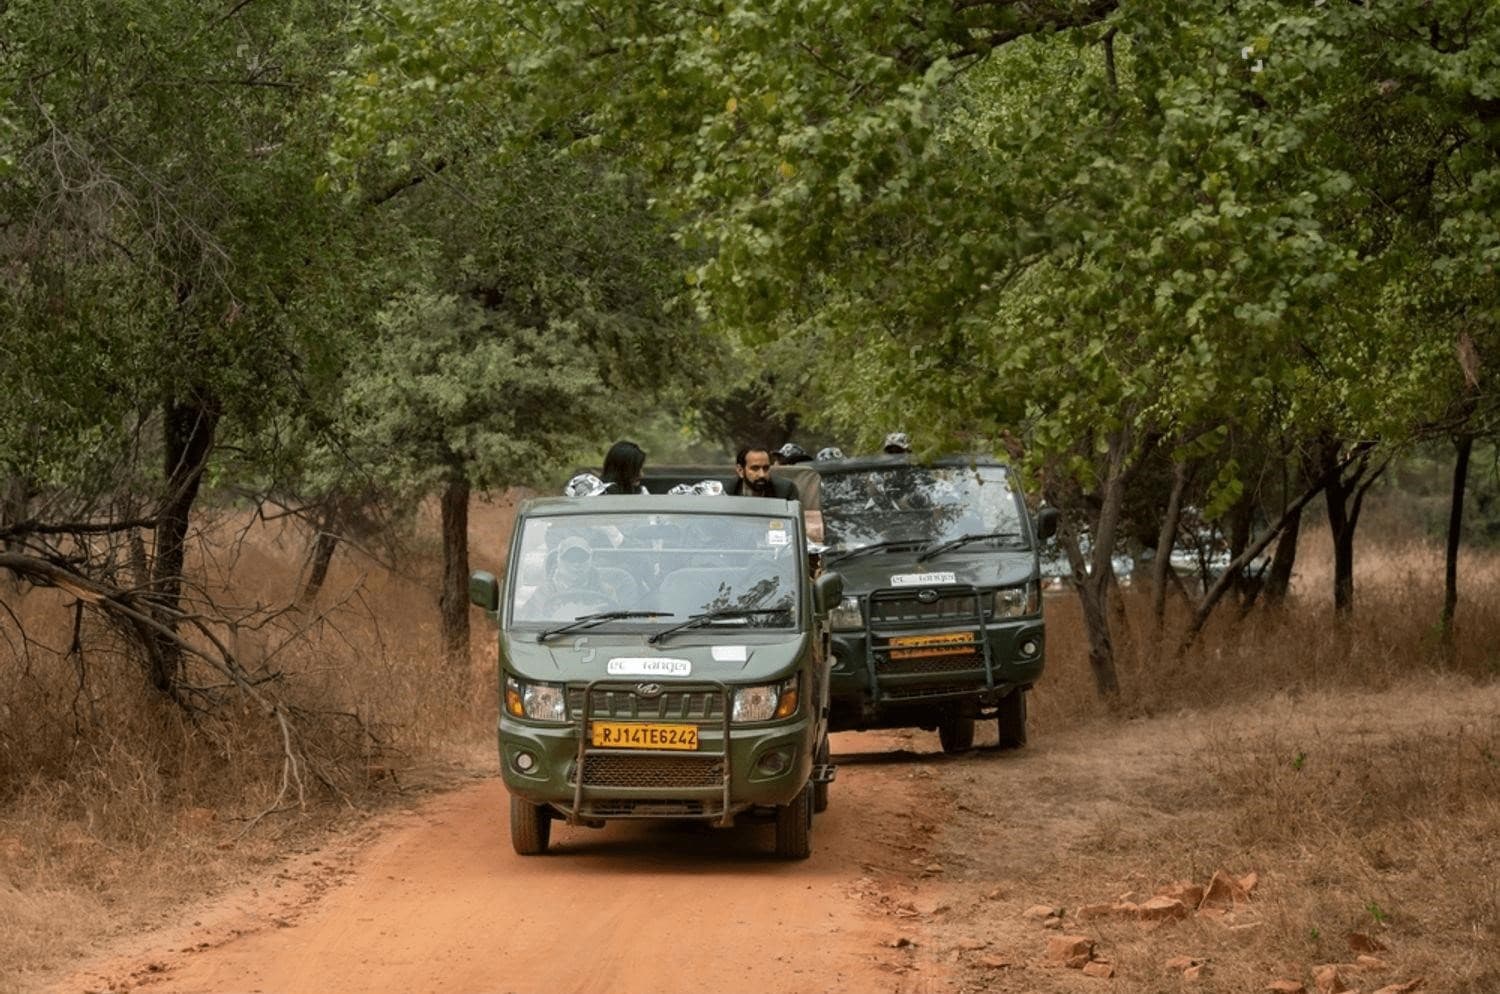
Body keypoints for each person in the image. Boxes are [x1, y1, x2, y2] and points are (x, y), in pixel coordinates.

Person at [730, 444, 800, 500]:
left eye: (766, 468)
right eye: (755, 468)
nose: (762, 475)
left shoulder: (785, 490)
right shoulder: (726, 491)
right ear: (740, 470)